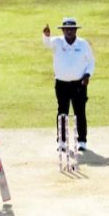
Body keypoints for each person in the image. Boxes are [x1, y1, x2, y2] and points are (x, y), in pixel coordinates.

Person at [42, 18, 95, 151]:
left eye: (71, 29)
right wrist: (46, 35)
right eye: (66, 29)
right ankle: (62, 142)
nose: (69, 32)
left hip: (79, 84)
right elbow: (47, 44)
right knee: (62, 112)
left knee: (80, 112)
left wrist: (87, 75)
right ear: (63, 30)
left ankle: (82, 141)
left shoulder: (83, 44)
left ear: (76, 30)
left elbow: (91, 62)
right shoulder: (57, 42)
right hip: (61, 84)